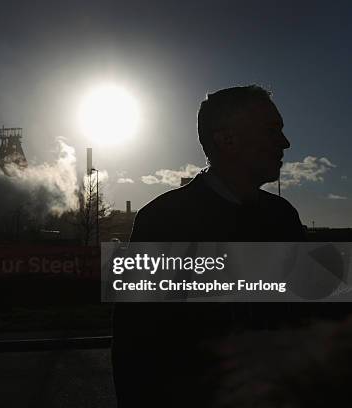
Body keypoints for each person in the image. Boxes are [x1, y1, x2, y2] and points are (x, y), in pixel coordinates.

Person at [112, 85, 306, 407]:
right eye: (272, 130)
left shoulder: (284, 216)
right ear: (226, 140)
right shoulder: (161, 222)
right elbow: (135, 349)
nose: (285, 143)